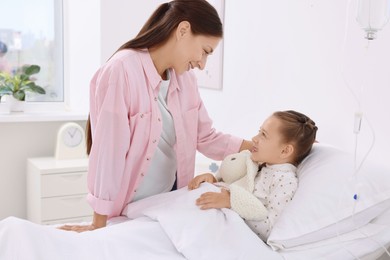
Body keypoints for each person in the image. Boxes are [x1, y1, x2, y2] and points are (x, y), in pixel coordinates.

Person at [60, 0, 252, 232]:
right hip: (129, 210)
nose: (202, 64)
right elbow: (108, 155)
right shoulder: (121, 71)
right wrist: (98, 226)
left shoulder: (186, 80)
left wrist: (259, 148)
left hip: (169, 205)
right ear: (183, 30)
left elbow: (205, 137)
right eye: (204, 51)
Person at [188, 110, 318, 241]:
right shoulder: (257, 164)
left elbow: (269, 230)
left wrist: (232, 203)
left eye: (264, 135)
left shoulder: (285, 182)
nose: (254, 139)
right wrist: (214, 180)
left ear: (285, 150)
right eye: (259, 131)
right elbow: (234, 183)